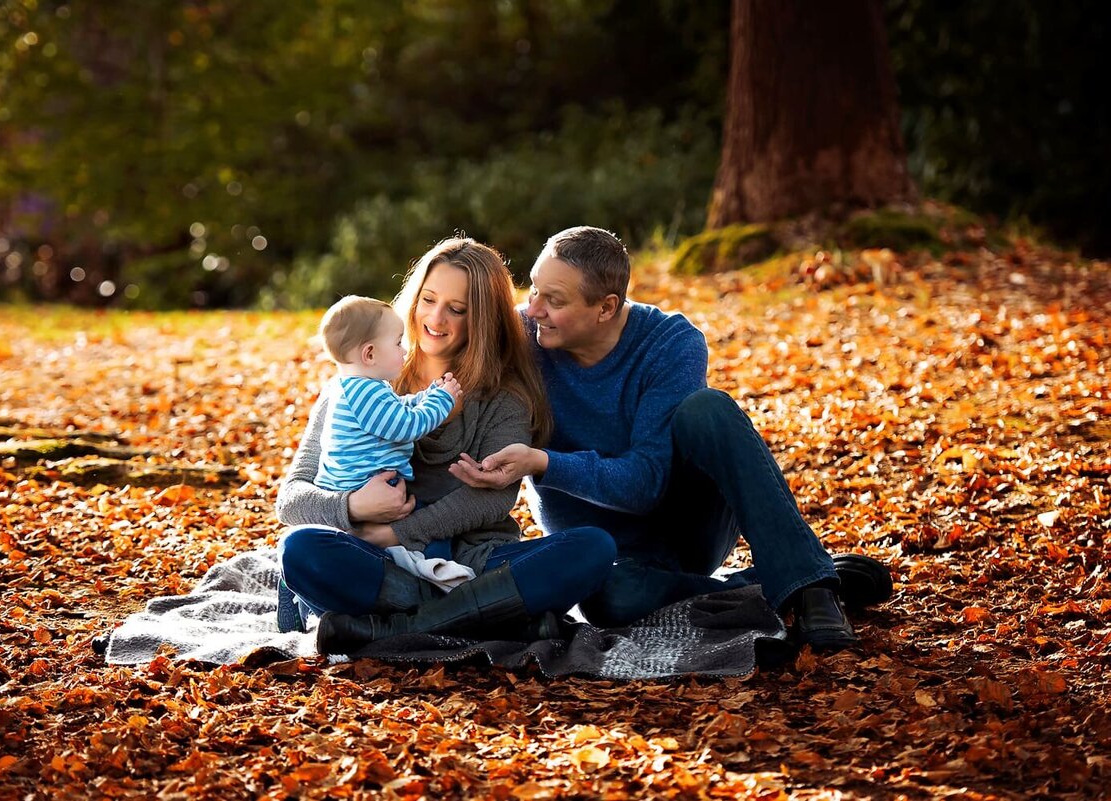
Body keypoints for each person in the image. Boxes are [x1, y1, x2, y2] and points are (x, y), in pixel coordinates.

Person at [450, 226, 892, 652]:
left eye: (555, 300)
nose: (534, 308)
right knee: (611, 601)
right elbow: (437, 364)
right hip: (603, 555)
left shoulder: (669, 343)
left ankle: (814, 592)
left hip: (686, 526)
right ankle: (780, 578)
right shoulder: (523, 335)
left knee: (708, 409)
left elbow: (645, 483)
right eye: (534, 290)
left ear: (605, 307)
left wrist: (544, 463)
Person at [275, 237, 617, 654]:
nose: (435, 319)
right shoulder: (358, 381)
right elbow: (291, 498)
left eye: (457, 309)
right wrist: (354, 508)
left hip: (474, 562)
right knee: (302, 549)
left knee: (592, 548)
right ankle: (492, 622)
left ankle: (395, 629)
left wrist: (398, 532)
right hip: (378, 563)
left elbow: (489, 502)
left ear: (483, 321)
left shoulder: (504, 399)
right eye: (429, 300)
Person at [312, 294, 462, 492]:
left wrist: (427, 395)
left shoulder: (355, 388)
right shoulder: (364, 393)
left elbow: (396, 408)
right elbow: (409, 426)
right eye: (398, 343)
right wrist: (443, 399)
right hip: (360, 489)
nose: (404, 351)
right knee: (444, 494)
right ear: (370, 354)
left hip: (358, 487)